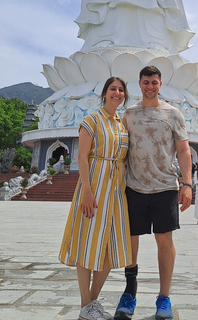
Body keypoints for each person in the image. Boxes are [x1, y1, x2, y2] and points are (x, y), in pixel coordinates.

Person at [114, 66, 192, 320]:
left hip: (165, 186)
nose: (150, 86)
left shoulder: (173, 113)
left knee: (164, 241)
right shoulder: (129, 114)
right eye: (146, 82)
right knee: (131, 240)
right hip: (134, 186)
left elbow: (183, 150)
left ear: (161, 84)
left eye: (154, 82)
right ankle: (130, 292)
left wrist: (188, 184)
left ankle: (164, 297)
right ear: (139, 84)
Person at [58, 77, 131, 320]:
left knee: (111, 248)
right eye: (113, 89)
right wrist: (87, 191)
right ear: (104, 93)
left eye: (121, 90)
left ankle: (91, 303)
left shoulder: (122, 124)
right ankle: (85, 304)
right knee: (87, 243)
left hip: (117, 190)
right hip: (95, 187)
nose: (117, 93)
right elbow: (82, 157)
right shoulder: (91, 120)